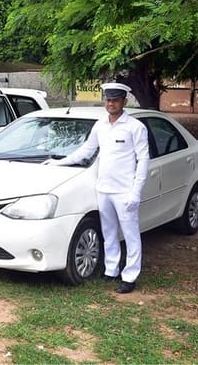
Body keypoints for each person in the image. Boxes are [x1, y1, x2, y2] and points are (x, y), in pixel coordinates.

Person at [45, 83, 149, 293]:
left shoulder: (135, 127)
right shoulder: (101, 125)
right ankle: (111, 270)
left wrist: (136, 192)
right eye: (108, 100)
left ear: (124, 102)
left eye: (115, 100)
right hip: (104, 188)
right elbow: (86, 150)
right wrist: (59, 162)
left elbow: (143, 159)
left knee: (130, 234)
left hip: (124, 191)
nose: (111, 103)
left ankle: (130, 276)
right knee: (109, 231)